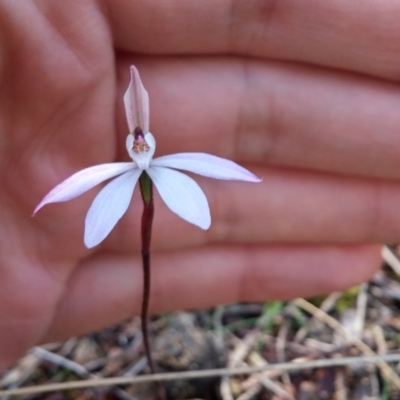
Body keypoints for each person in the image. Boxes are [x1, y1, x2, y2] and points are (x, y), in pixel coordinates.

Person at [0, 0, 393, 371]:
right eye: (136, 139)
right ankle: (151, 372)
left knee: (155, 236)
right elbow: (64, 190)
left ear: (149, 139)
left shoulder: (174, 166)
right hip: (129, 179)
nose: (140, 142)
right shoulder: (110, 177)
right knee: (139, 247)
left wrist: (243, 174)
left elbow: (227, 170)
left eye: (143, 138)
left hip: (164, 174)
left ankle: (155, 374)